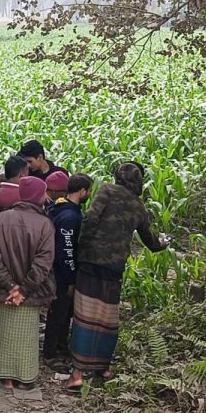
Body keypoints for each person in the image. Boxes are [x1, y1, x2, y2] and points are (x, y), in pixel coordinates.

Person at [66, 163, 168, 391]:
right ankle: (104, 367)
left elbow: (91, 219)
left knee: (85, 314)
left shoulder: (106, 191)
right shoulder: (138, 206)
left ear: (118, 177)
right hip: (114, 267)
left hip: (91, 262)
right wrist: (163, 243)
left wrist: (82, 249)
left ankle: (77, 373)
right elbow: (151, 242)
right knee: (107, 316)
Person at [0, 176, 56, 390]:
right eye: (44, 192)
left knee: (6, 334)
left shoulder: (1, 218)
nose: (46, 196)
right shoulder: (45, 224)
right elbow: (43, 263)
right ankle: (25, 379)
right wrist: (23, 289)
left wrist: (9, 286)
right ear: (36, 196)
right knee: (27, 336)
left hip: (5, 292)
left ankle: (5, 378)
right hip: (30, 293)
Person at [43, 173, 93, 368]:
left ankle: (60, 347)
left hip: (57, 272)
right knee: (58, 314)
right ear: (82, 191)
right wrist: (71, 279)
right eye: (88, 191)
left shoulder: (60, 209)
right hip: (61, 275)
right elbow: (67, 251)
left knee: (63, 314)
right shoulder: (70, 217)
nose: (88, 193)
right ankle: (50, 354)